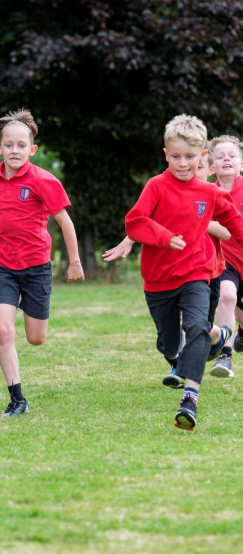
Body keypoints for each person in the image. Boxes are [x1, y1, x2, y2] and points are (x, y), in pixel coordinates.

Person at [0, 109, 84, 418]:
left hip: (36, 268)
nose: (15, 151)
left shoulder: (44, 180)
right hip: (3, 267)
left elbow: (65, 222)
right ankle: (17, 398)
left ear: (32, 149)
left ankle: (20, 390)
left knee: (35, 338)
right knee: (3, 330)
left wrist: (74, 262)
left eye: (21, 145)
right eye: (9, 145)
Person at [125, 114, 243, 431]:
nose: (182, 163)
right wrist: (163, 237)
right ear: (166, 154)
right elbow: (134, 222)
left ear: (202, 157)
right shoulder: (156, 186)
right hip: (159, 281)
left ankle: (189, 399)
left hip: (198, 274)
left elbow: (235, 224)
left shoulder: (210, 192)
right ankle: (219, 337)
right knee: (168, 344)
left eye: (190, 157)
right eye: (175, 156)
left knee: (195, 327)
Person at [103, 151, 232, 387]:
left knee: (194, 323)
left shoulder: (210, 196)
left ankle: (186, 374)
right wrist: (128, 240)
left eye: (199, 166)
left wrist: (197, 221)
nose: (188, 169)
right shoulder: (166, 189)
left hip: (206, 269)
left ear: (208, 171)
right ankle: (191, 350)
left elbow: (226, 232)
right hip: (167, 272)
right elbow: (146, 221)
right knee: (175, 326)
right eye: (178, 160)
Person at [209, 135, 243, 378]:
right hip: (225, 260)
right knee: (227, 296)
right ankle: (225, 356)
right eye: (220, 156)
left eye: (232, 155)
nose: (226, 159)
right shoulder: (207, 192)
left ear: (241, 163)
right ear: (213, 166)